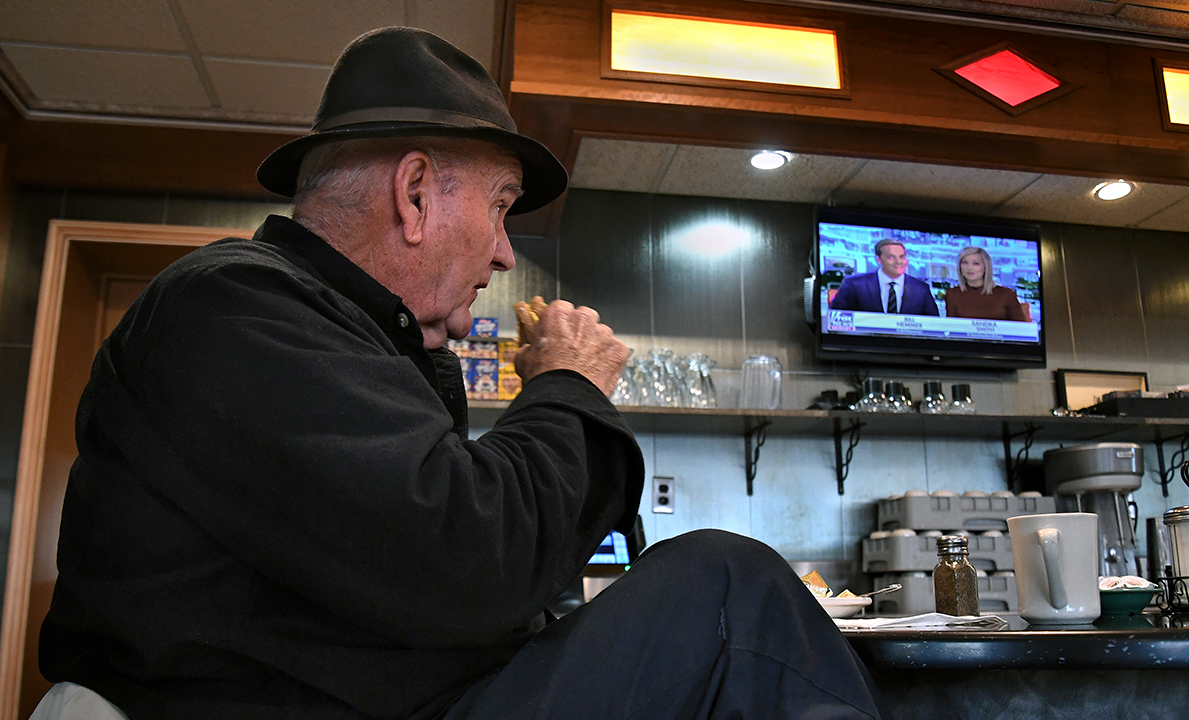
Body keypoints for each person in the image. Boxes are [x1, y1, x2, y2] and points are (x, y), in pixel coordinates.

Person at [36, 27, 891, 720]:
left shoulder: (344, 334)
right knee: (727, 587)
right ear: (414, 194)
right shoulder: (234, 303)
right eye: (500, 206)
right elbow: (477, 560)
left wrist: (429, 358)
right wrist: (571, 382)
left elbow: (443, 557)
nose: (503, 252)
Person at [830, 238, 939, 315]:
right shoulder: (855, 284)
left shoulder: (921, 288)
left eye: (901, 257)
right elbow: (836, 317)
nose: (898, 262)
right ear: (878, 259)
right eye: (891, 257)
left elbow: (933, 323)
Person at [943, 246, 1027, 321]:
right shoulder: (953, 294)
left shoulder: (1006, 294)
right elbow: (952, 330)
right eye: (964, 263)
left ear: (986, 267)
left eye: (976, 263)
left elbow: (1020, 329)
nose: (969, 268)